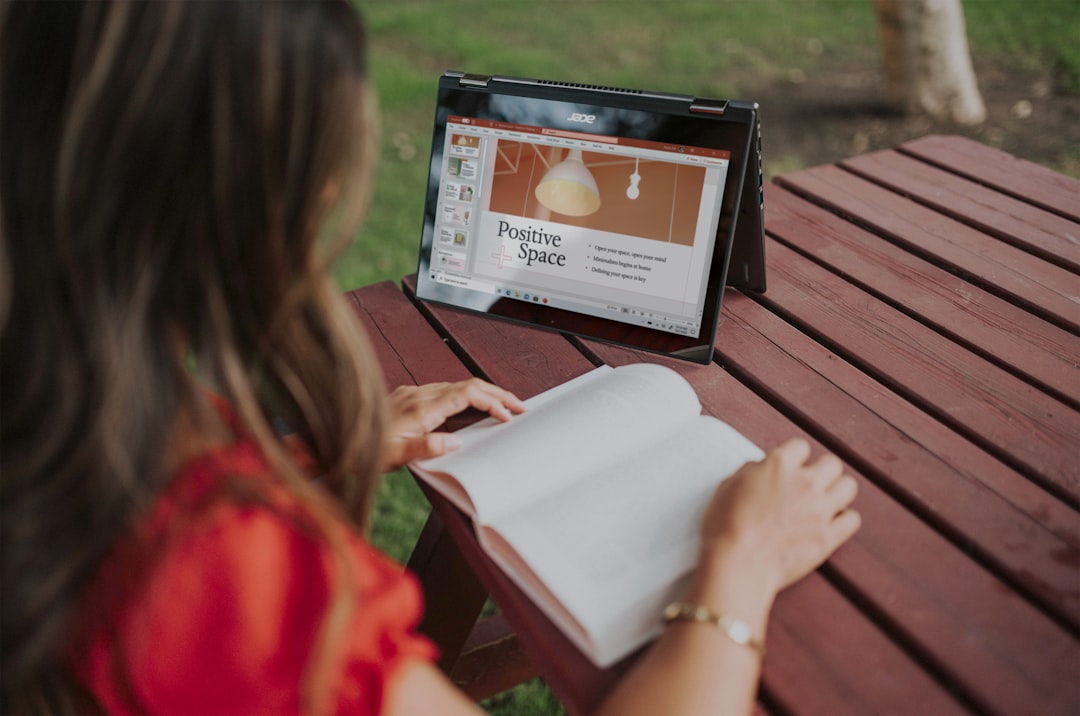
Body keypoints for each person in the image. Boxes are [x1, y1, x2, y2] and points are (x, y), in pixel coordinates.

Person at [0, 2, 861, 714]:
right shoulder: (225, 575)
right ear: (259, 203)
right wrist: (737, 569)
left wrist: (304, 456)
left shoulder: (61, 420)